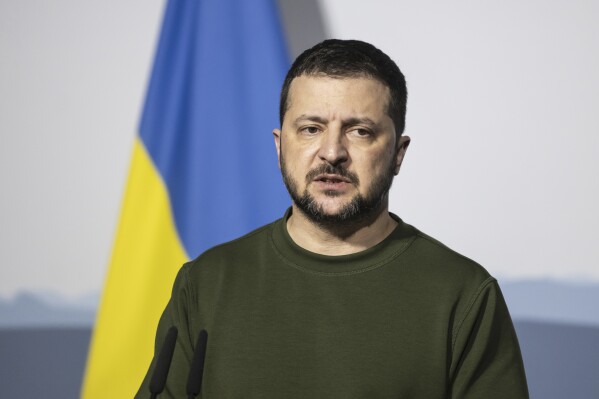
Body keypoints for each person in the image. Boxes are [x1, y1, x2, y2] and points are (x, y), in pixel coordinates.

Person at [136, 39, 529, 398]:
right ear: (279, 146)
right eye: (311, 129)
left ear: (398, 153)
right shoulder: (205, 283)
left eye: (359, 131)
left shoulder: (463, 294)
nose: (331, 152)